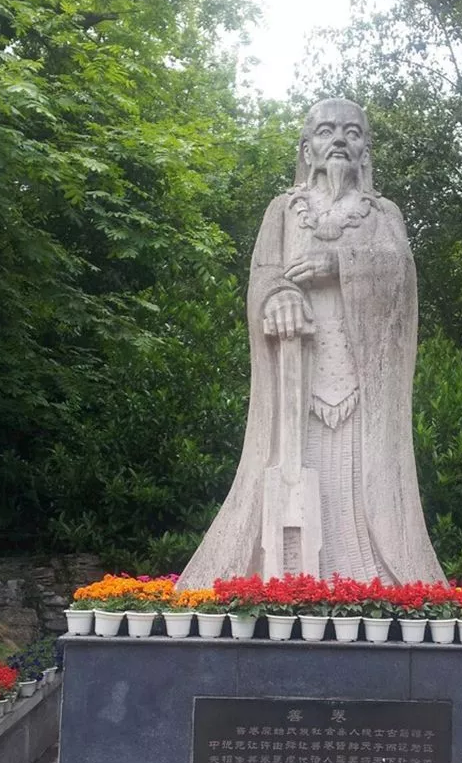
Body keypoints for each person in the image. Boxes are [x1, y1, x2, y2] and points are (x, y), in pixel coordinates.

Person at [176, 99, 443, 588]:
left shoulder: (383, 214)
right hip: (297, 381)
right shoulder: (283, 211)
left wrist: (338, 266)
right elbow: (263, 276)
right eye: (326, 131)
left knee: (361, 481)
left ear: (365, 151)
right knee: (292, 470)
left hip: (362, 385)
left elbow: (401, 283)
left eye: (351, 132)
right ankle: (290, 578)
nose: (339, 140)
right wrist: (278, 296)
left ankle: (374, 582)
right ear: (306, 149)